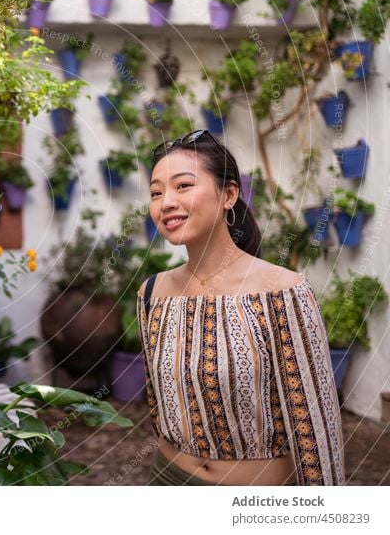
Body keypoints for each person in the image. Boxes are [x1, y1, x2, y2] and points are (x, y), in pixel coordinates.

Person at [138, 130, 345, 486]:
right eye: (156, 193)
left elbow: (317, 433)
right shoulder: (153, 293)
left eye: (183, 186)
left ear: (229, 194)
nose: (166, 202)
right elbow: (159, 407)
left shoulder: (282, 291)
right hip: (167, 480)